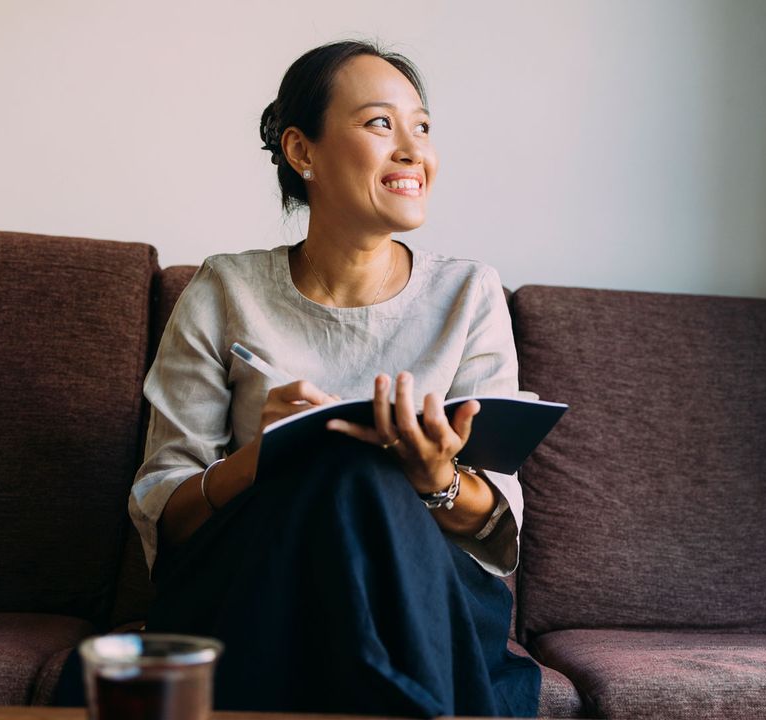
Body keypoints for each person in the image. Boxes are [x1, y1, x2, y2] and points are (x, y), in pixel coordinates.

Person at [62, 39, 541, 717]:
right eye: (381, 124)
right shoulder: (225, 289)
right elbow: (163, 516)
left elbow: (498, 528)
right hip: (262, 576)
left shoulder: (468, 294)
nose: (413, 150)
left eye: (423, 127)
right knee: (334, 473)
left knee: (359, 475)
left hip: (424, 597)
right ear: (302, 152)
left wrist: (433, 478)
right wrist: (260, 460)